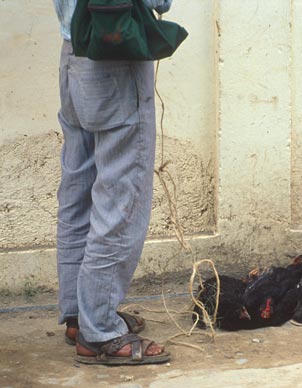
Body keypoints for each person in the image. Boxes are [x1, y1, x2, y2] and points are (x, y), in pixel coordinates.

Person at [53, 0, 173, 364]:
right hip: (114, 56)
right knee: (122, 196)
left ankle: (80, 315)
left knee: (79, 188)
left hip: (74, 52)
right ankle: (100, 330)